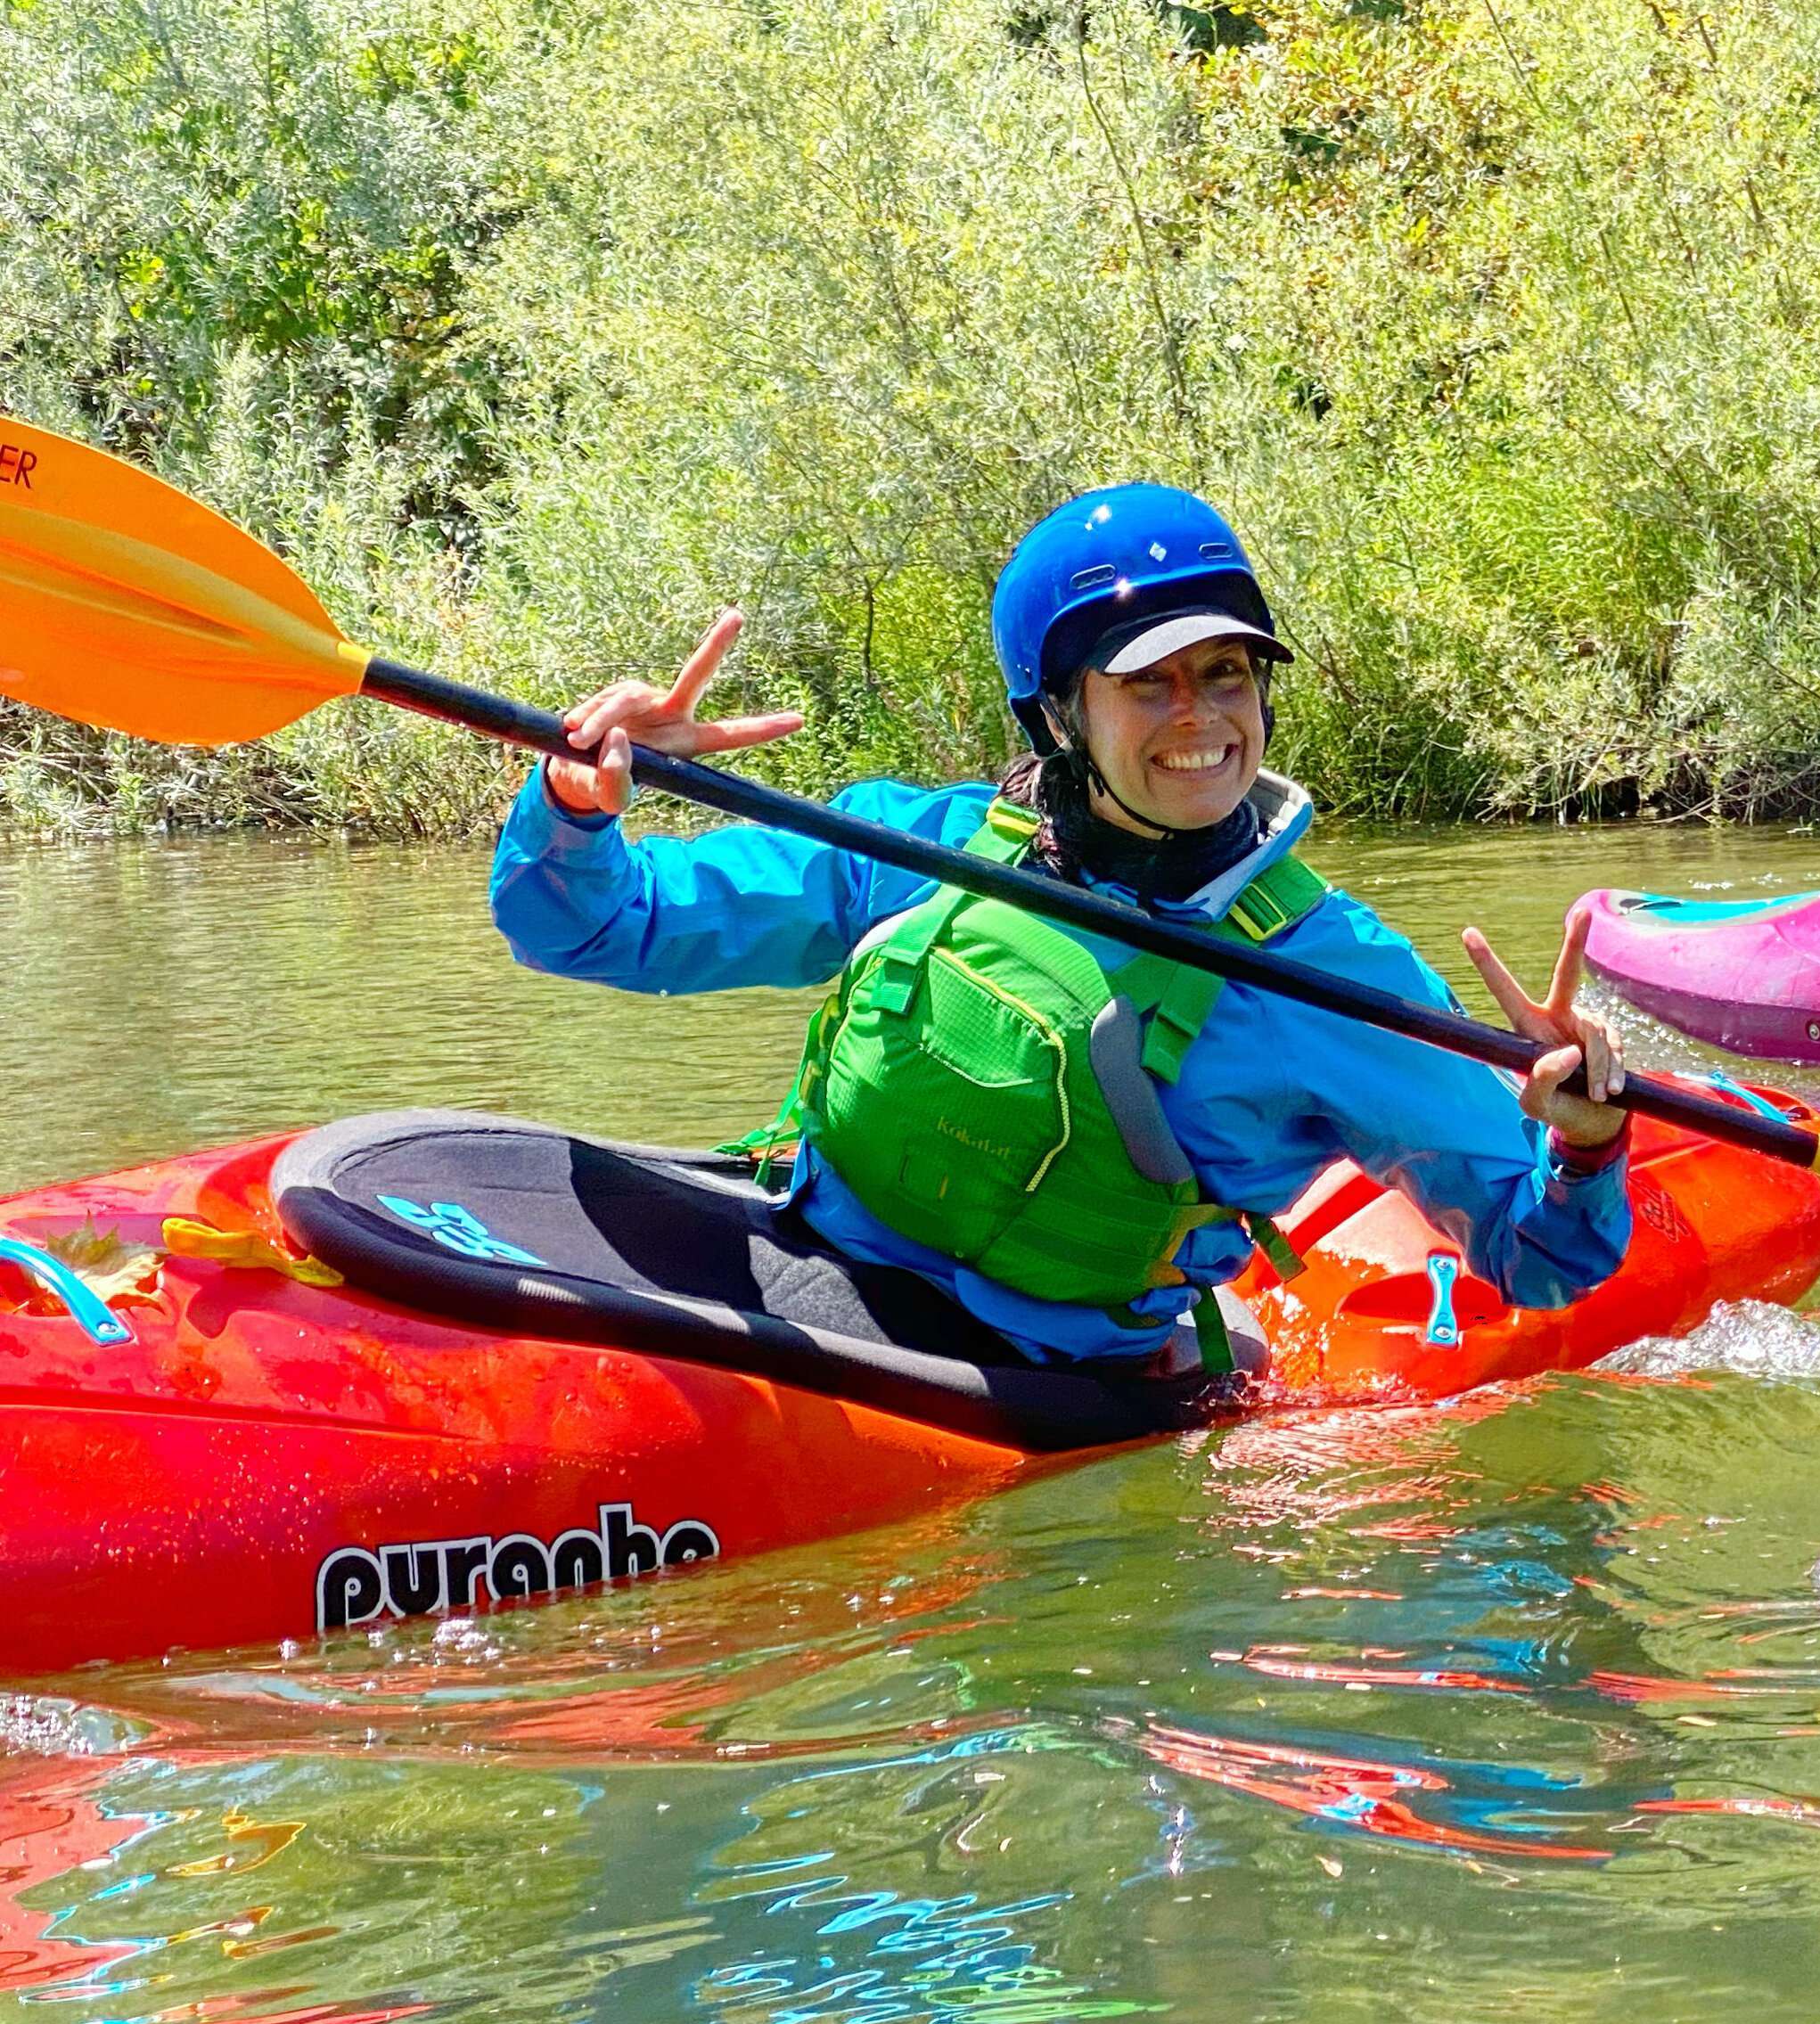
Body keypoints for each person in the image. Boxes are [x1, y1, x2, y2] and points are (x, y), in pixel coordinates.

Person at [489, 484, 1630, 1371]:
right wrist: (577, 810)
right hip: (816, 1263)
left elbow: (1539, 1256)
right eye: (1147, 684)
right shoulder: (916, 848)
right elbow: (594, 930)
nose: (1202, 719)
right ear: (1056, 713)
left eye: (1226, 674)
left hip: (1054, 1378)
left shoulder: (1327, 974)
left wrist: (1583, 1144)